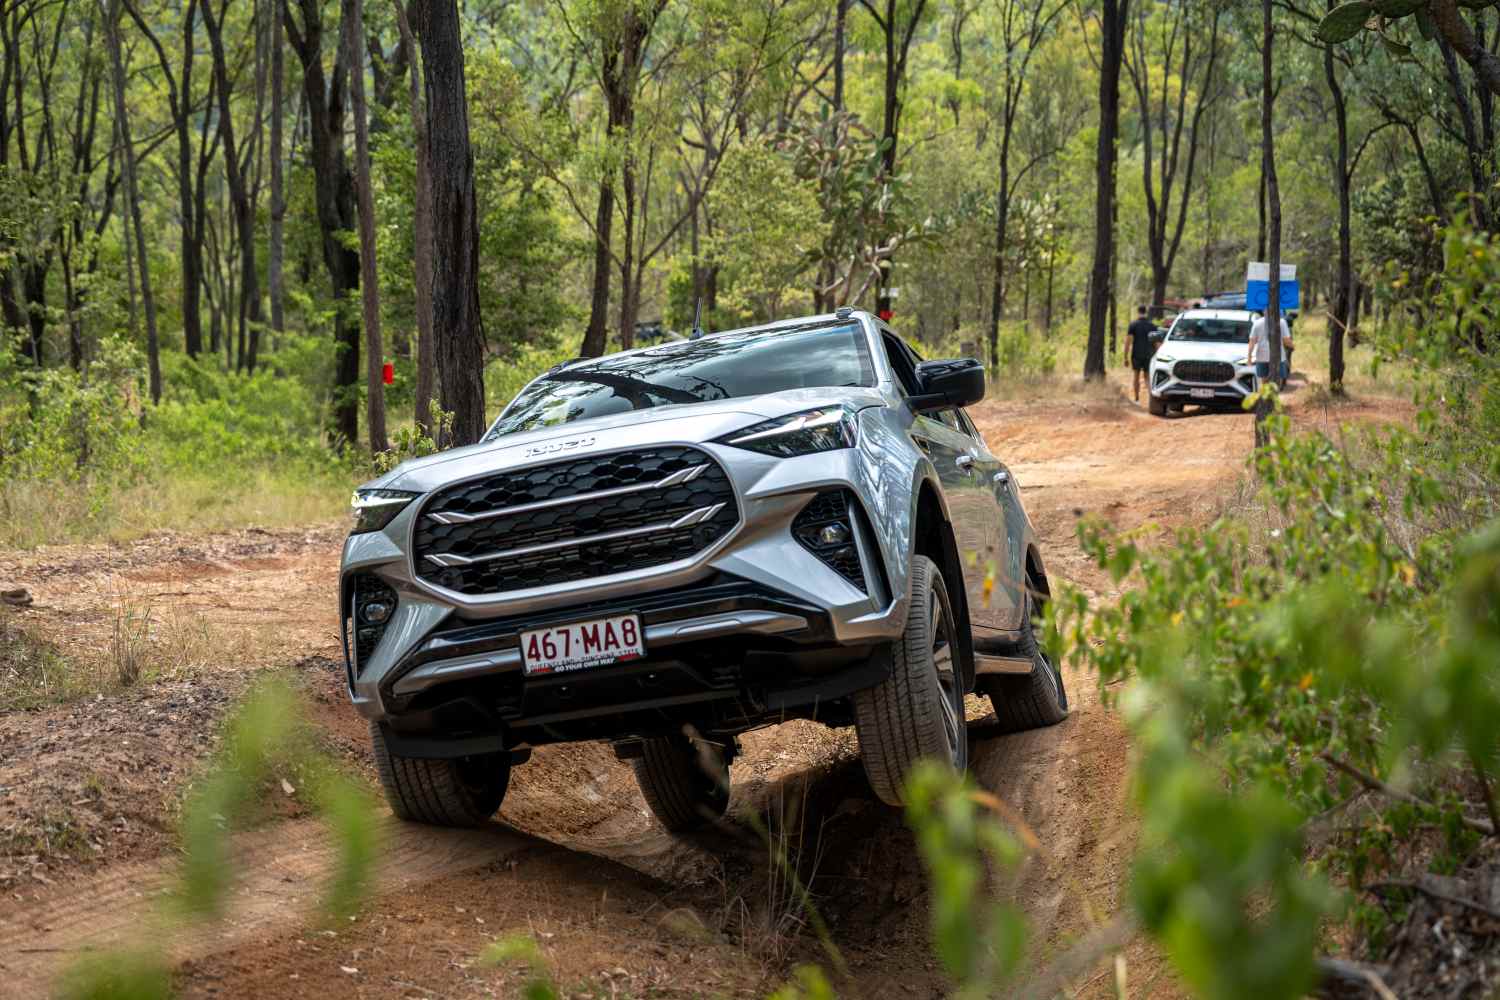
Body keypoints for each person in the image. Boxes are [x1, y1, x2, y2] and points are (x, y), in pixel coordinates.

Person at [1246, 310, 1292, 389]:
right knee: (1277, 382)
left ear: (1264, 312)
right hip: (1278, 357)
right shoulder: (1282, 322)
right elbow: (1286, 341)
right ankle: (1274, 398)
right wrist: (1292, 346)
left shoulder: (1257, 323)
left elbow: (1252, 341)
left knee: (1264, 382)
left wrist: (1249, 357)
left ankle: (1267, 399)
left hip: (1262, 357)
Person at [1124, 305, 1157, 403]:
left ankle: (1137, 399)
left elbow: (1128, 342)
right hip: (1149, 355)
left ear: (1138, 312)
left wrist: (1125, 357)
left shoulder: (1133, 325)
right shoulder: (1152, 326)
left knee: (1136, 376)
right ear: (1145, 312)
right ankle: (1152, 399)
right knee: (1147, 377)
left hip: (1136, 354)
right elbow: (1157, 343)